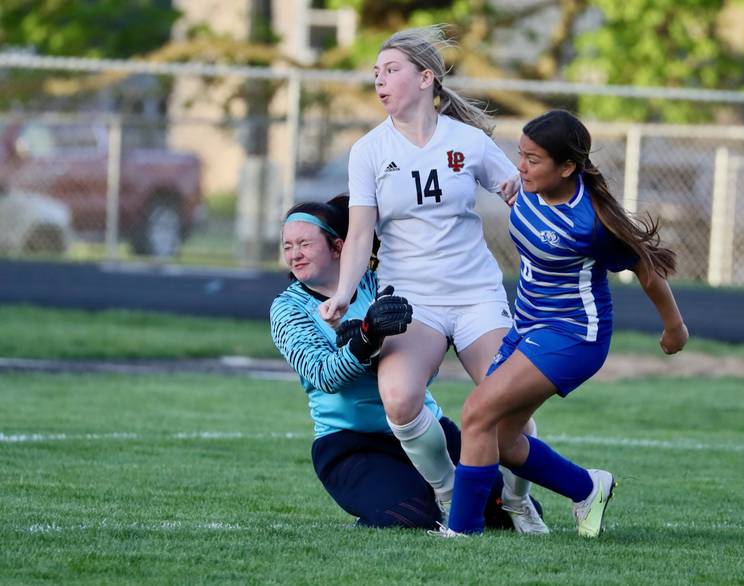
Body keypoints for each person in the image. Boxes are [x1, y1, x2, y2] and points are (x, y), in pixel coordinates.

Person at [317, 26, 546, 534]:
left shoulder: (467, 142)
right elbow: (359, 237)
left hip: (475, 297)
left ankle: (516, 499)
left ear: (426, 78)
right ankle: (447, 492)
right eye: (375, 73)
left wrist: (521, 190)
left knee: (516, 414)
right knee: (399, 398)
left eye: (390, 70)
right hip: (412, 301)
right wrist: (342, 295)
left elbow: (520, 193)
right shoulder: (368, 151)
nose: (379, 81)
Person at [440, 110, 690, 537]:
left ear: (568, 167)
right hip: (527, 326)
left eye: (533, 159)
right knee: (499, 440)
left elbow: (648, 271)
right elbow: (508, 179)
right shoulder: (527, 187)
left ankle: (461, 533)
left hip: (572, 335)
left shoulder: (590, 224)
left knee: (476, 412)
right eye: (520, 155)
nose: (520, 166)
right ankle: (586, 487)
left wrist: (674, 329)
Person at [270, 194, 534, 530]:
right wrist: (365, 340)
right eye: (288, 245)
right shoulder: (287, 308)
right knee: (409, 518)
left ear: (338, 247)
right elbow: (323, 375)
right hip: (352, 443)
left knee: (500, 516)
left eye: (304, 244)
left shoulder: (382, 283)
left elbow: (426, 368)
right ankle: (409, 497)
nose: (294, 254)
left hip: (424, 427)